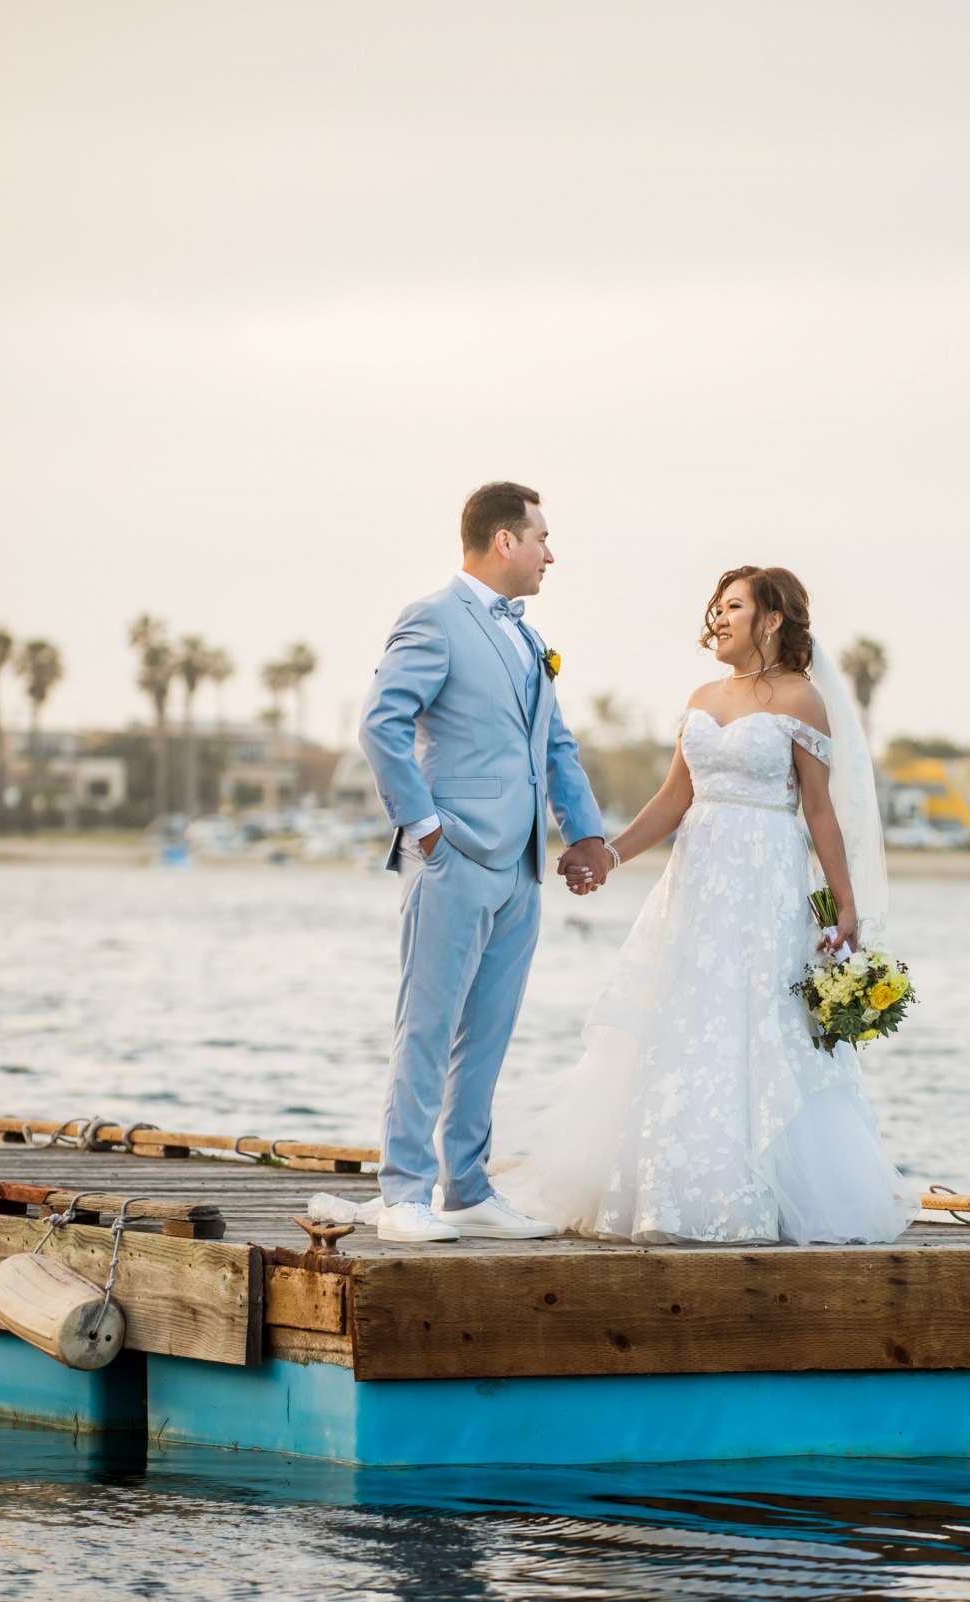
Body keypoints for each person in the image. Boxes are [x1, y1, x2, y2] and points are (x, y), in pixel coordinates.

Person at [493, 565, 915, 1245]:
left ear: (772, 619)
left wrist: (845, 907)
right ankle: (669, 1187)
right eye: (715, 607)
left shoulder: (801, 700)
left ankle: (759, 1190)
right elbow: (671, 800)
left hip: (765, 879)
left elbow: (820, 811)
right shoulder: (701, 694)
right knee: (683, 1017)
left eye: (734, 607)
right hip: (695, 880)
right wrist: (609, 855)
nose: (717, 618)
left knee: (755, 1022)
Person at [356, 481, 611, 1243]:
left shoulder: (529, 639)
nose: (549, 554)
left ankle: (465, 1187)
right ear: (505, 541)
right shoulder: (434, 619)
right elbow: (381, 725)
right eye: (540, 538)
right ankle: (403, 1192)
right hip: (453, 855)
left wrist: (585, 832)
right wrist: (424, 826)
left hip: (521, 867)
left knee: (489, 1032)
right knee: (428, 1024)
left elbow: (555, 745)